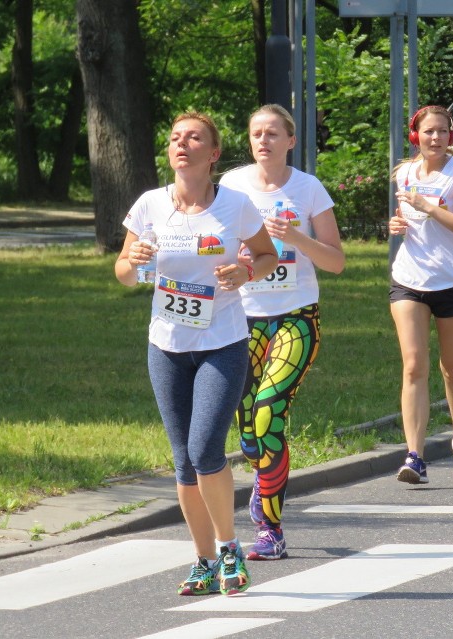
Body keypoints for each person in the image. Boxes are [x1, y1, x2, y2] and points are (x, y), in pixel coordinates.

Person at [115, 112, 278, 596]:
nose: (181, 145)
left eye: (194, 138)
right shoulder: (148, 206)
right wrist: (133, 263)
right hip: (166, 346)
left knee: (204, 449)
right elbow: (124, 271)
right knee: (183, 463)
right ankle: (204, 560)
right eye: (174, 139)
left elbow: (266, 256)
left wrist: (246, 274)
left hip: (222, 342)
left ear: (213, 154)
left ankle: (229, 549)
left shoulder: (236, 206)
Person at [219, 104, 345, 560]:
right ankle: (263, 477)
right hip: (240, 319)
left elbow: (336, 261)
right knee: (249, 431)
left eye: (273, 133)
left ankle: (269, 528)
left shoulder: (308, 189)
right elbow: (216, 241)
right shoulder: (231, 186)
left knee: (270, 413)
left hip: (295, 316)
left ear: (291, 140)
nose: (263, 140)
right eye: (256, 133)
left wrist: (295, 238)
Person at [389, 105, 453, 485]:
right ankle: (415, 456)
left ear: (451, 135)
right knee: (413, 365)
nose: (435, 138)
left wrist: (429, 207)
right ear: (416, 135)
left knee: (452, 367)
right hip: (409, 280)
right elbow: (404, 218)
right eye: (428, 132)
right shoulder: (404, 173)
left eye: (443, 132)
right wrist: (396, 223)